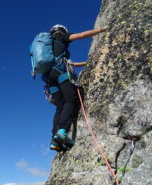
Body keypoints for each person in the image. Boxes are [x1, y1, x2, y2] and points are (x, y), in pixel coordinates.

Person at [43, 24, 107, 152]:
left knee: (60, 107)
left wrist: (87, 63)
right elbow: (82, 35)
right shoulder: (62, 38)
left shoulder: (50, 49)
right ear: (62, 32)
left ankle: (54, 139)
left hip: (49, 79)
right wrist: (101, 29)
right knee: (71, 100)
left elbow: (71, 64)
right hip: (61, 74)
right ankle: (62, 132)